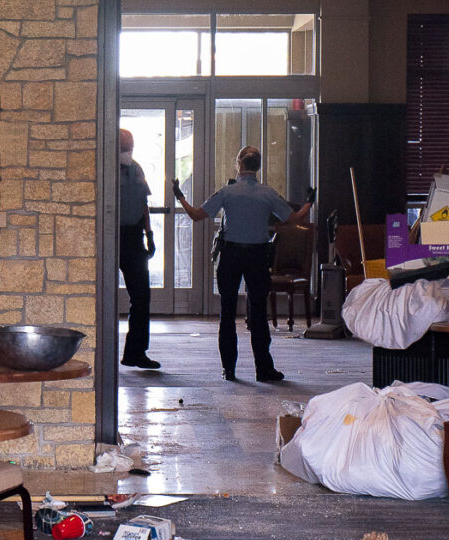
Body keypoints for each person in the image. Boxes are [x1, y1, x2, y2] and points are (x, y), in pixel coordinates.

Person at [174, 146, 314, 382]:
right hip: (257, 256)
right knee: (258, 313)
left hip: (230, 256)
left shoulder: (227, 192)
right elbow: (294, 220)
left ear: (238, 164)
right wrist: (309, 202)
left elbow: (197, 215)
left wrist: (180, 196)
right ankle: (263, 369)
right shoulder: (268, 194)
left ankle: (229, 369)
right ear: (257, 166)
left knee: (227, 313)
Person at [118, 129, 160, 369]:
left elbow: (144, 205)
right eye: (124, 145)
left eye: (130, 145)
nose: (128, 149)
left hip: (134, 237)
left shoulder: (137, 169)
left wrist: (149, 235)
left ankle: (135, 352)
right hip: (111, 236)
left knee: (142, 296)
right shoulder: (107, 169)